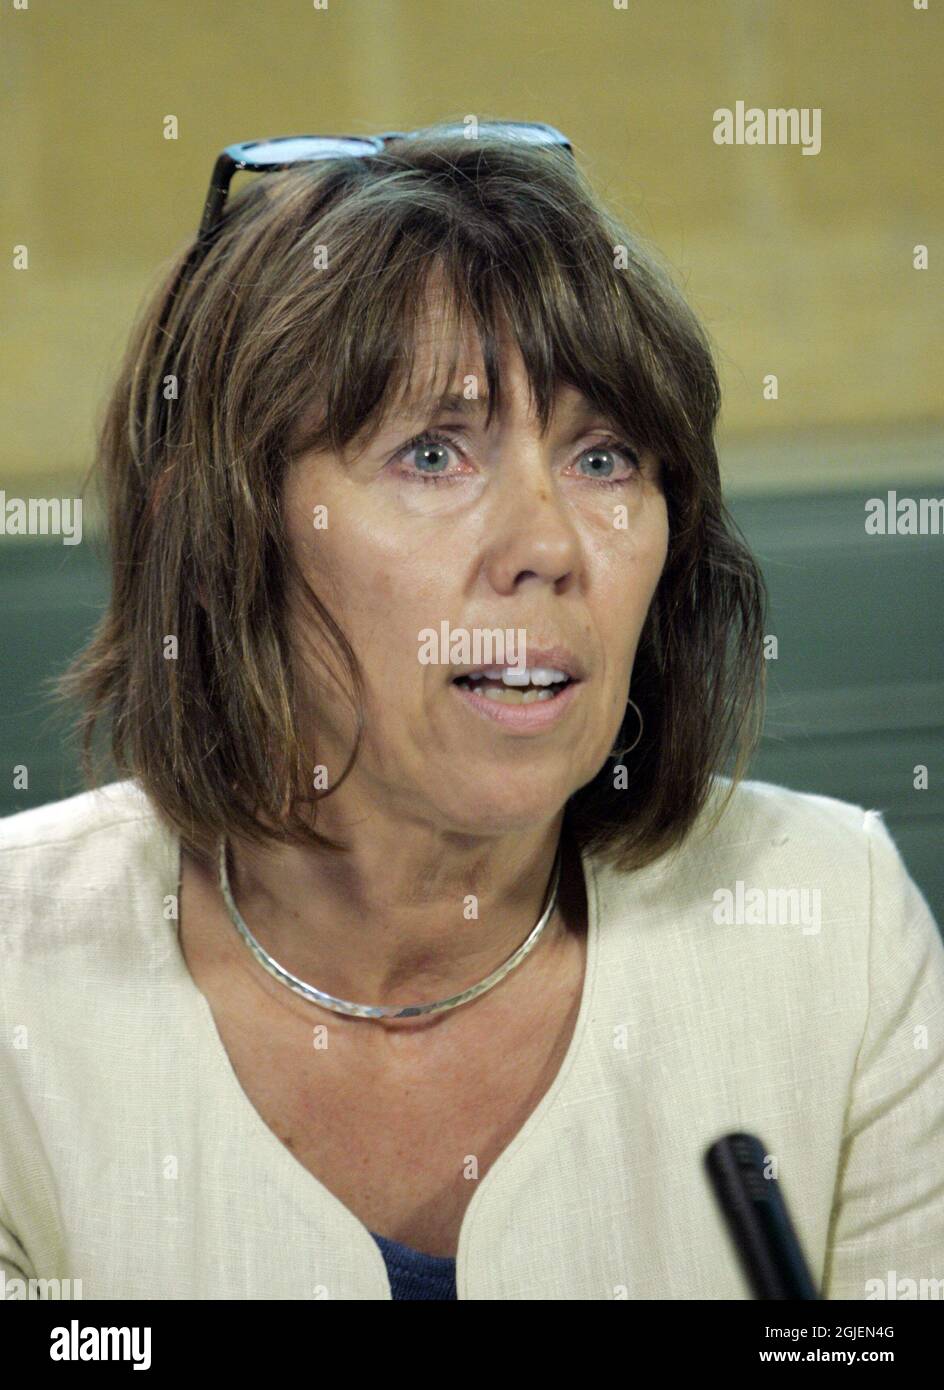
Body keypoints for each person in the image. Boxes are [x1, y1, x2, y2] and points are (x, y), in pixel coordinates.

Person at [1, 121, 942, 1302]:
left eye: (604, 459)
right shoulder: (16, 979)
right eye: (433, 454)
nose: (547, 546)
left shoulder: (834, 928)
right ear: (229, 529)